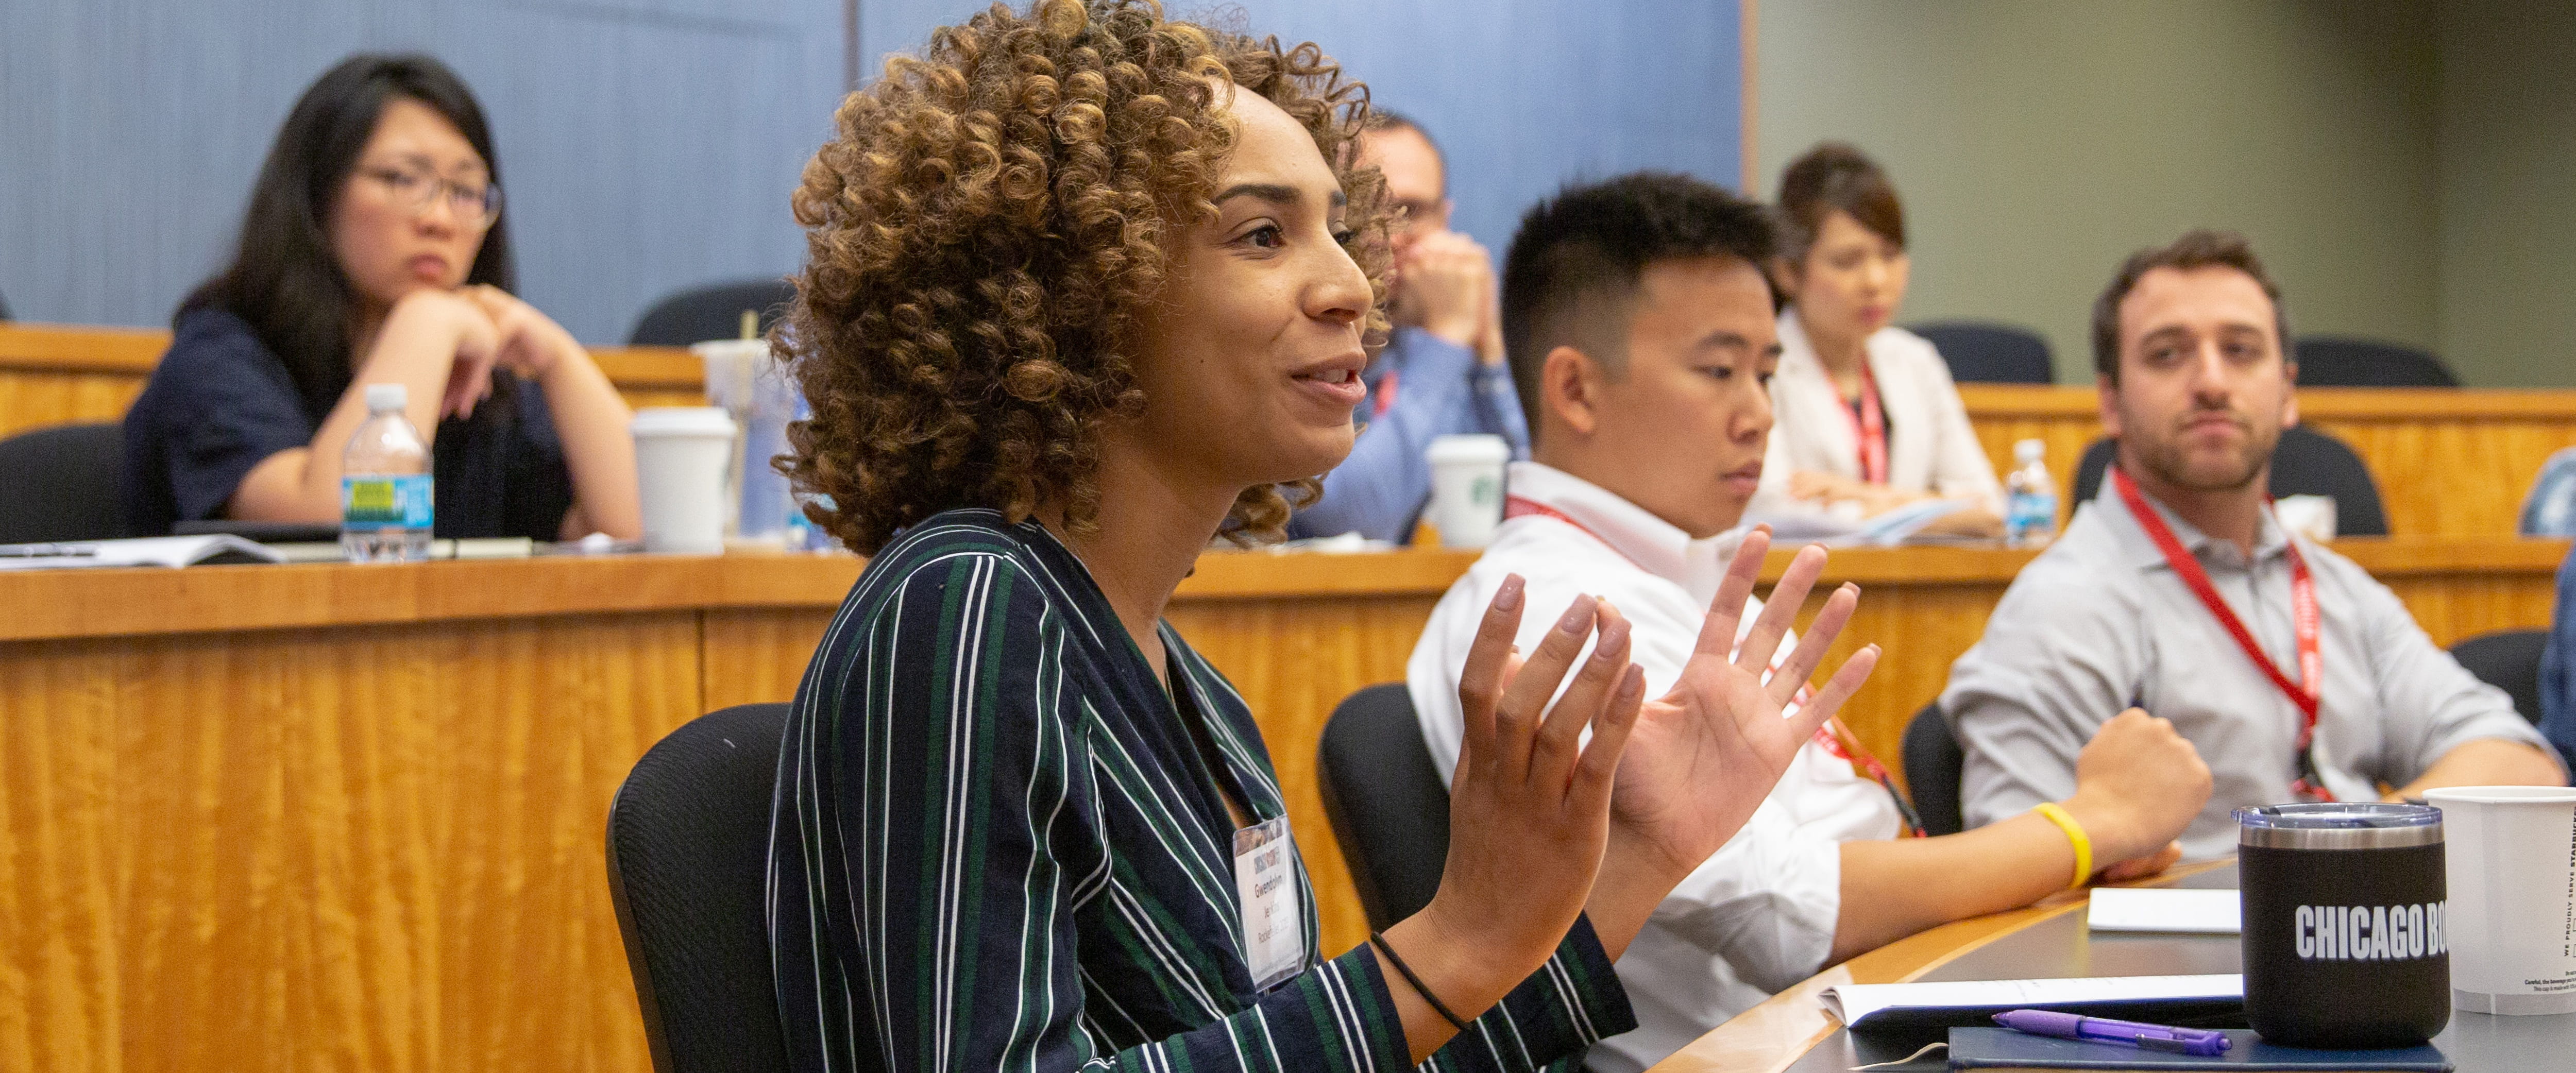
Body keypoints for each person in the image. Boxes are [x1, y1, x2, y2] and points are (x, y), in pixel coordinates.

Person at [761, 4, 1886, 1070]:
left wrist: (1639, 862)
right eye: (1263, 235)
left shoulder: (1191, 690)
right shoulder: (965, 608)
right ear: (1070, 293)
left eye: (1339, 236)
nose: (1354, 284)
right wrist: (1453, 940)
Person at [1408, 173, 2208, 1073]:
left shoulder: (1688, 566)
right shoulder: (1561, 607)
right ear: (1577, 391)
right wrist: (2085, 825)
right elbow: (1786, 918)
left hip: (1871, 1017)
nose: (1759, 415)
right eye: (1718, 371)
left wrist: (2062, 861)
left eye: (1765, 372)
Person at [1946, 229, 2566, 859]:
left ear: (2288, 392)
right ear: (2109, 402)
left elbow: (2524, 769)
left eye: (2240, 351)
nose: (2211, 381)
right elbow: (2009, 874)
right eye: (2166, 355)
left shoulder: (2336, 590)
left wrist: (2351, 852)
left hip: (2359, 931)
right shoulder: (2061, 607)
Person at [121, 54, 640, 541]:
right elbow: (339, 531)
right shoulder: (219, 359)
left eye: (464, 192)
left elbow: (639, 532)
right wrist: (427, 319)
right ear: (316, 193)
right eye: (402, 178)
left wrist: (556, 358)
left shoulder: (481, 387)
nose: (438, 219)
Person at [1285, 111, 1528, 542]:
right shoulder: (1293, 332)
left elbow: (1532, 511)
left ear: (1445, 219)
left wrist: (1487, 352)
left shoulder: (1441, 352)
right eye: (1367, 209)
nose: (1391, 234)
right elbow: (1348, 518)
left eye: (1411, 211)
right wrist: (1448, 339)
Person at [1749, 143, 1999, 537]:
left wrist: (1864, 496)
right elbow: (1776, 513)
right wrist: (1930, 508)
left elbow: (1989, 507)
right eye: (1848, 261)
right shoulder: (1758, 364)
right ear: (1788, 271)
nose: (1876, 281)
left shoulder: (1916, 360)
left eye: (1890, 255)